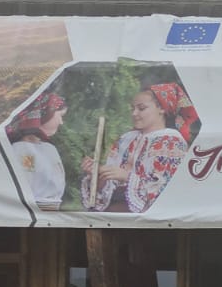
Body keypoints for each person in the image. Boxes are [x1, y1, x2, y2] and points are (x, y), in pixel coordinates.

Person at [79, 83, 198, 212]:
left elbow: (166, 191)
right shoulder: (126, 139)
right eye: (133, 108)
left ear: (161, 109)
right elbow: (108, 189)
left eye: (141, 108)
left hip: (146, 220)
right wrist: (98, 174)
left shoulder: (171, 141)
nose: (134, 113)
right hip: (113, 216)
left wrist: (127, 177)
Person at [6, 89, 68, 209]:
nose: (61, 122)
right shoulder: (24, 150)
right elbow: (26, 182)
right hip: (36, 212)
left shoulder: (49, 148)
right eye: (60, 116)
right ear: (46, 114)